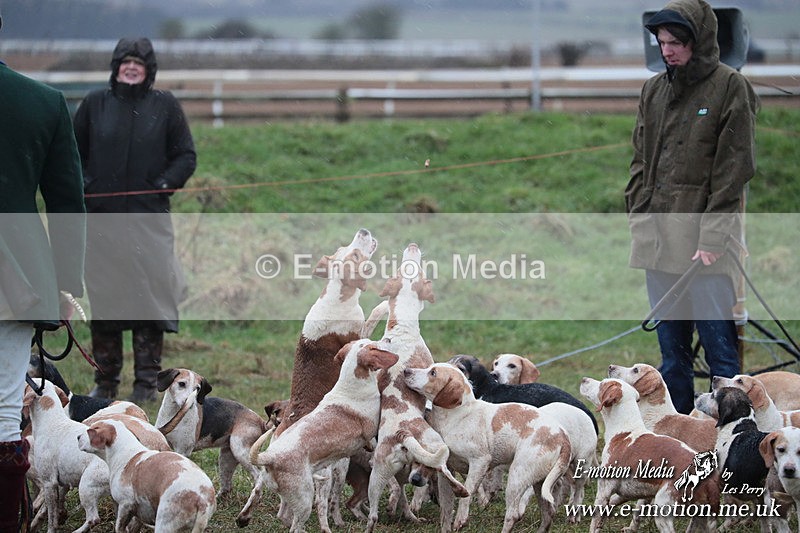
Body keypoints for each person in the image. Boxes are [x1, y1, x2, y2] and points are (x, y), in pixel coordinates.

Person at [625, 0, 759, 414]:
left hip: (706, 252)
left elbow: (733, 170)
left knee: (722, 361)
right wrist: (639, 220)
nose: (668, 50)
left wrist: (714, 238)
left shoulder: (730, 86)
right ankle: (682, 438)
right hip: (658, 246)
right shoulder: (653, 89)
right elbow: (640, 163)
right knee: (672, 360)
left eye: (676, 42)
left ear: (698, 41)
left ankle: (734, 444)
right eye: (662, 42)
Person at [0, 9, 86, 531]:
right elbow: (66, 200)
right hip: (16, 277)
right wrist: (64, 284)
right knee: (6, 411)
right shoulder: (42, 102)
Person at [73, 37, 196, 402]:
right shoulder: (95, 105)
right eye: (125, 62)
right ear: (115, 67)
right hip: (102, 222)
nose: (131, 67)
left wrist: (163, 185)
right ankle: (105, 381)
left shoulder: (165, 106)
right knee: (106, 299)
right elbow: (72, 154)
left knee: (149, 301)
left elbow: (185, 156)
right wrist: (86, 186)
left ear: (149, 70)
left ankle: (146, 383)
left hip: (149, 222)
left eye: (138, 63)